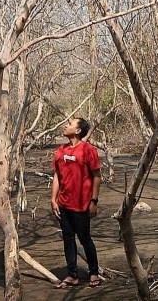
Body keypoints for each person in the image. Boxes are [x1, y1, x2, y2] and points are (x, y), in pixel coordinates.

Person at [51, 117, 102, 288]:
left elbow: (97, 176)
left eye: (70, 124)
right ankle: (72, 275)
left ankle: (94, 272)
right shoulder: (60, 150)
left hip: (81, 205)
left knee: (85, 238)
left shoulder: (88, 150)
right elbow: (57, 175)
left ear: (78, 130)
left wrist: (94, 201)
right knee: (67, 239)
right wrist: (53, 199)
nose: (65, 126)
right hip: (63, 204)